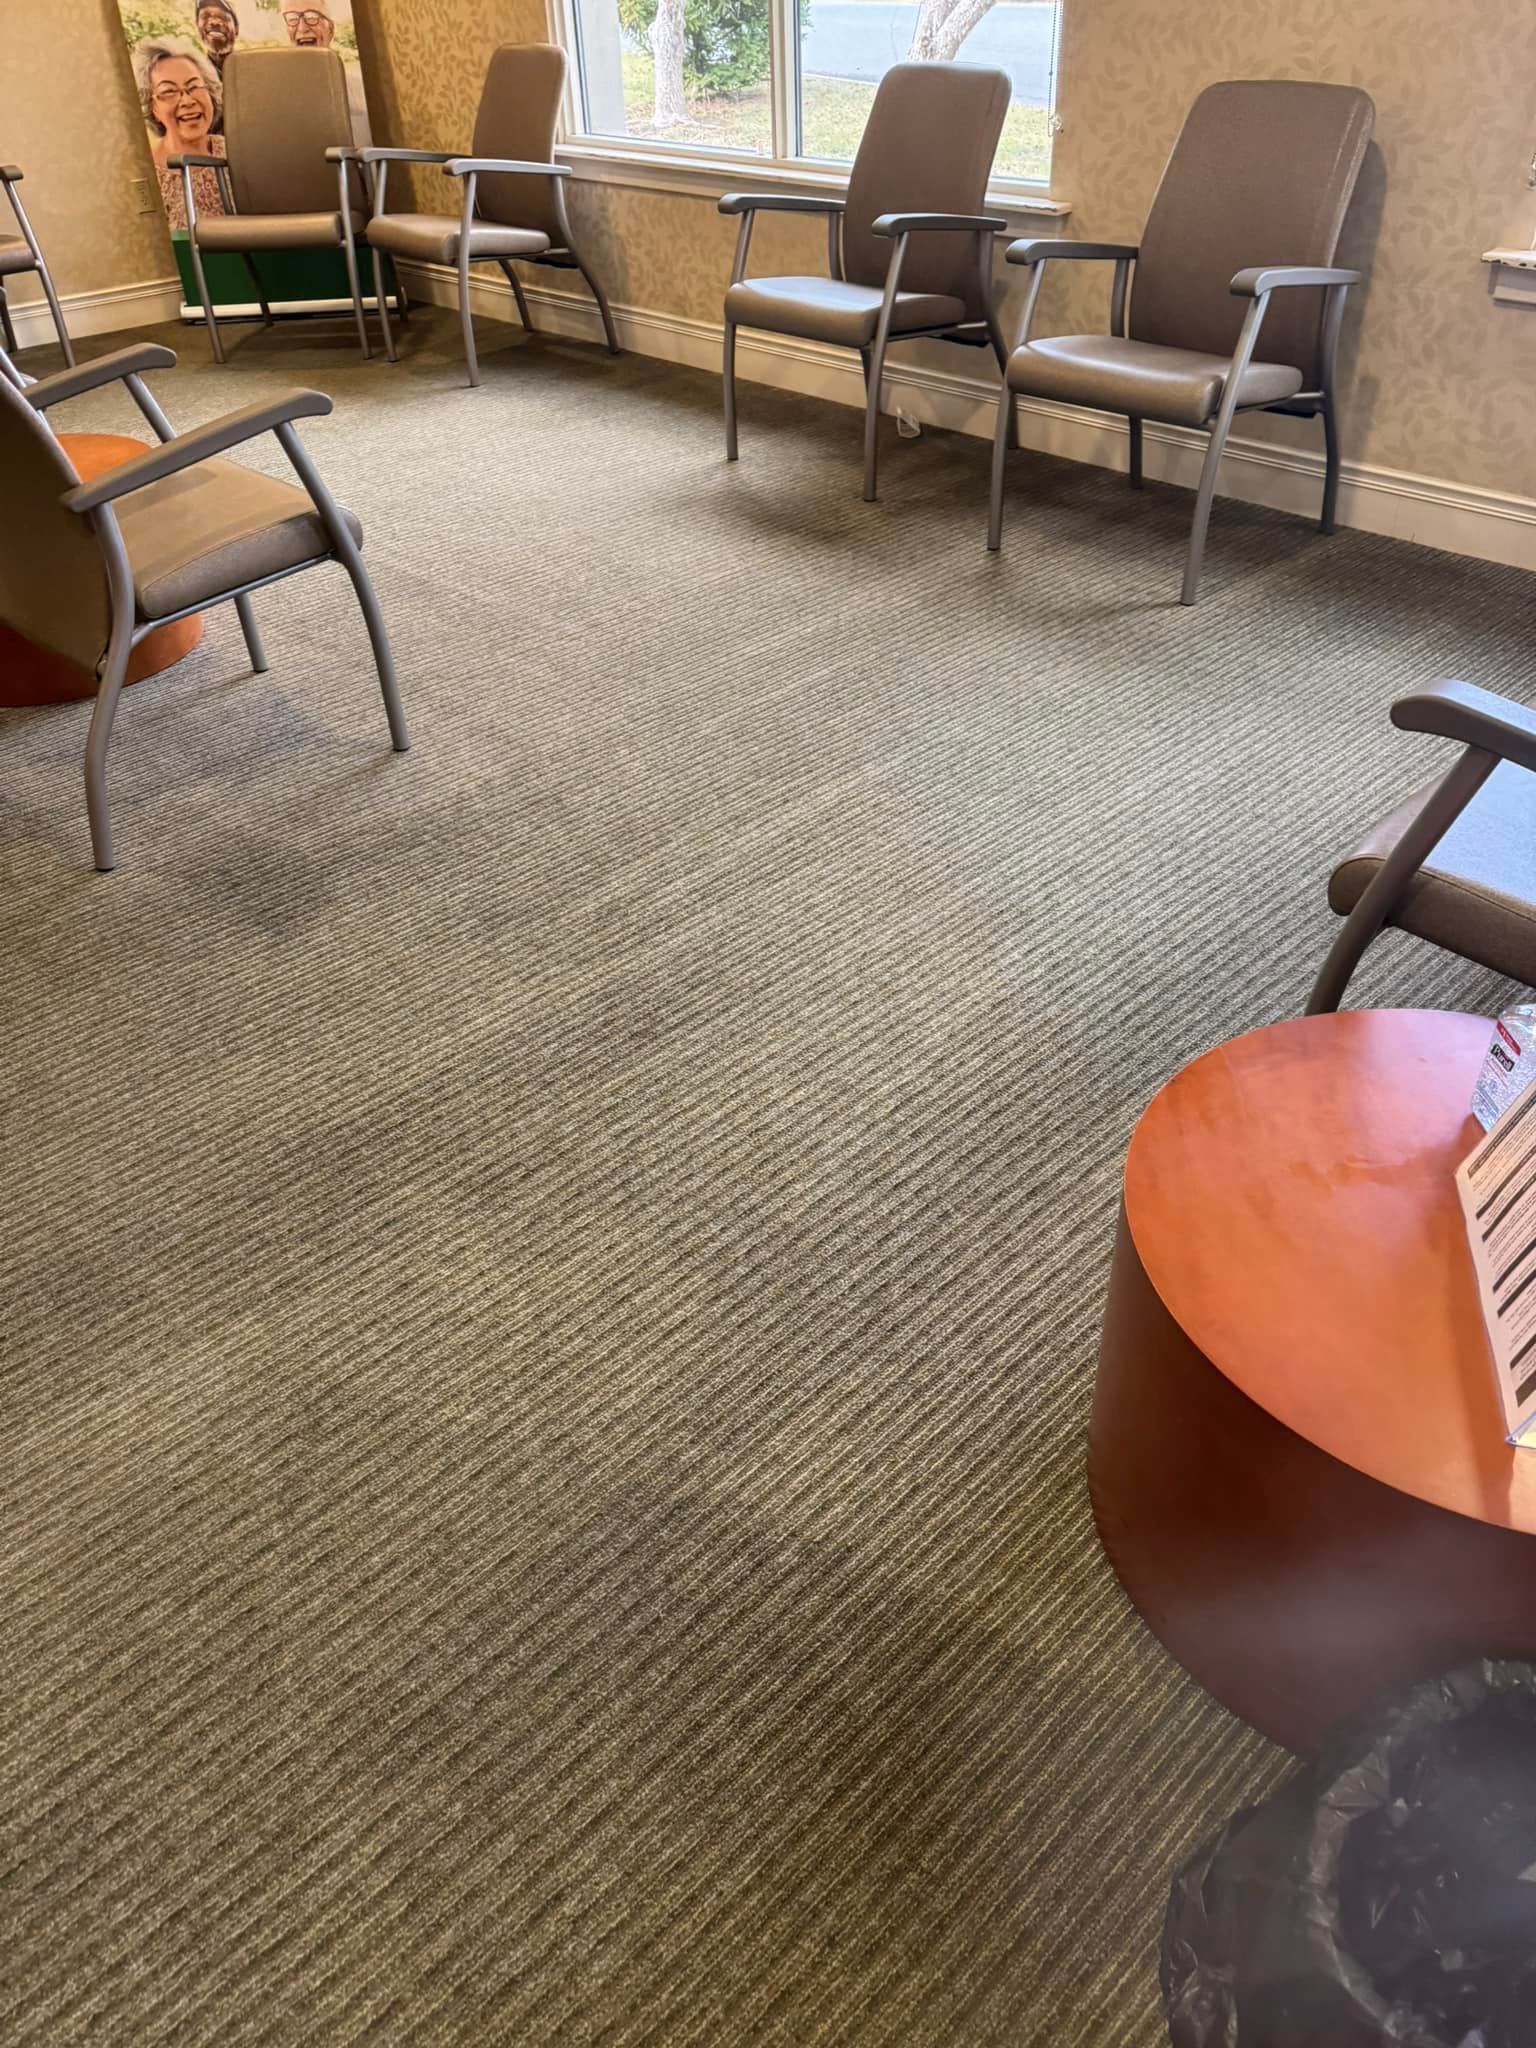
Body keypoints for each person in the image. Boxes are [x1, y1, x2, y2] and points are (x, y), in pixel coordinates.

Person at [134, 36, 226, 230]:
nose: (187, 101)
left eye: (194, 87)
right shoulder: (145, 175)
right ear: (152, 107)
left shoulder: (238, 154)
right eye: (168, 91)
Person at [195, 0, 239, 77]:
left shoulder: (252, 68)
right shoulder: (194, 74)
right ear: (197, 26)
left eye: (223, 17)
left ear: (236, 29)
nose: (214, 22)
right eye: (205, 16)